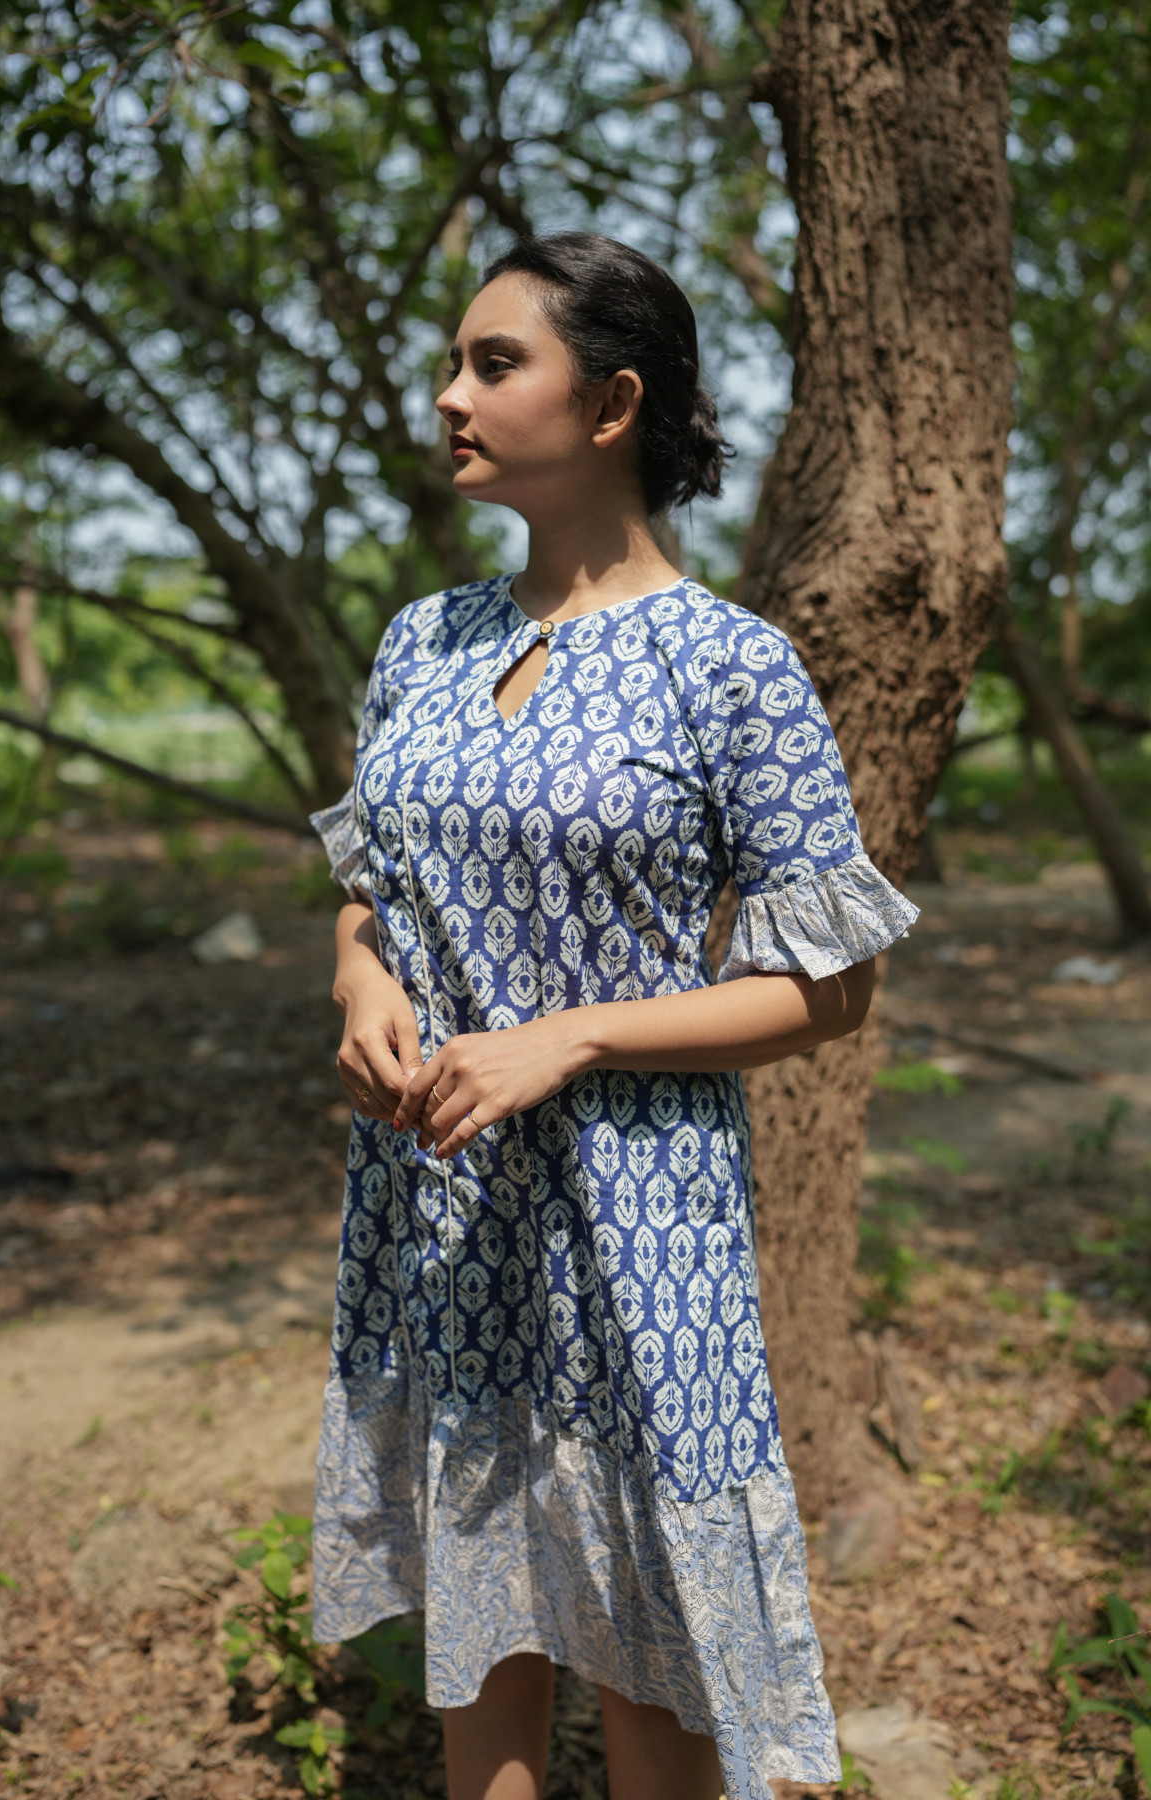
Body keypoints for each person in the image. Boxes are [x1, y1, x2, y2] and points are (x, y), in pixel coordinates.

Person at [308, 232, 918, 1800]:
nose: (450, 396)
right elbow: (369, 887)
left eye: (494, 363)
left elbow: (830, 987)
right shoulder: (424, 641)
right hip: (441, 1201)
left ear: (611, 403)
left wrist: (571, 1036)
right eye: (454, 363)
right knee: (481, 1630)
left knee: (653, 1665)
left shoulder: (735, 668)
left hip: (636, 1216)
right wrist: (362, 980)